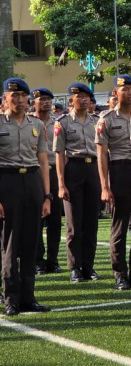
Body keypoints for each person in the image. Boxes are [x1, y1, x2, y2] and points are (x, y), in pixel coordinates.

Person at [0, 78, 51, 316]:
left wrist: (47, 195)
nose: (19, 100)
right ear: (5, 98)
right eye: (14, 95)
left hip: (32, 181)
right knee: (10, 242)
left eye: (23, 95)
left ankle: (29, 297)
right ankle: (11, 297)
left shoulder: (37, 125)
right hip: (7, 181)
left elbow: (43, 161)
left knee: (31, 243)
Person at [96, 75, 131, 291]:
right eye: (125, 89)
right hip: (119, 171)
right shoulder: (106, 119)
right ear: (115, 92)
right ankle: (120, 274)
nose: (130, 93)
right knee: (120, 225)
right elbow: (102, 155)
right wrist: (105, 186)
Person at [54, 82, 101, 283]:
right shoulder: (62, 123)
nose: (83, 100)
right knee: (74, 223)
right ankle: (75, 267)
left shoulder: (97, 121)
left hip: (93, 169)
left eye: (86, 97)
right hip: (73, 168)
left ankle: (89, 267)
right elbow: (59, 155)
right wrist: (61, 184)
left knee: (91, 222)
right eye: (78, 96)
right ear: (70, 100)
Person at [32, 87, 62, 275]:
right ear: (33, 101)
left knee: (55, 220)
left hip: (53, 171)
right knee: (36, 219)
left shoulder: (57, 123)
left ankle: (53, 259)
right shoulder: (30, 122)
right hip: (35, 172)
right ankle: (37, 259)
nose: (46, 102)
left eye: (49, 99)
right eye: (42, 99)